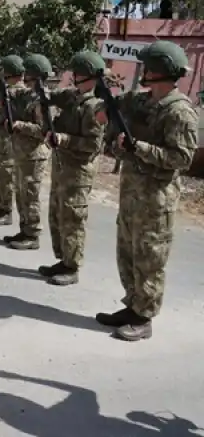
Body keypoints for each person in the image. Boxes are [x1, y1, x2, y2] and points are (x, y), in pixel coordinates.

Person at [95, 41, 199, 341]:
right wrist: (106, 99)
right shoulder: (144, 102)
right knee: (127, 252)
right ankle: (133, 305)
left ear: (161, 71)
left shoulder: (180, 112)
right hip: (132, 193)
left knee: (150, 257)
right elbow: (108, 112)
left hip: (156, 198)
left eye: (149, 68)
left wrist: (139, 148)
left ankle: (145, 317)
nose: (144, 73)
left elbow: (181, 159)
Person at [37, 51, 108, 286]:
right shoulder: (73, 97)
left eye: (77, 73)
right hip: (62, 165)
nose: (73, 76)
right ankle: (64, 259)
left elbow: (92, 145)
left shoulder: (95, 106)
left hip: (79, 170)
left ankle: (73, 265)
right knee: (58, 214)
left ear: (86, 76)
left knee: (73, 217)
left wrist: (63, 139)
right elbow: (53, 97)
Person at [5, 53, 52, 250]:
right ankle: (24, 229)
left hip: (34, 155)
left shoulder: (43, 99)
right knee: (21, 193)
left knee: (30, 195)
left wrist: (18, 125)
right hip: (22, 153)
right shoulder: (29, 95)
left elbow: (43, 131)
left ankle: (32, 235)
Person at [0, 55, 24, 227]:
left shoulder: (19, 92)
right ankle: (1, 206)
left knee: (7, 177)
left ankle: (7, 211)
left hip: (10, 142)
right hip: (0, 141)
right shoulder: (6, 89)